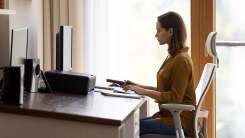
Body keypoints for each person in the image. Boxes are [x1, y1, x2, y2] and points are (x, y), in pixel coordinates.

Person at [123, 11, 196, 137]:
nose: (156, 35)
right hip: (170, 118)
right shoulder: (173, 57)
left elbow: (174, 97)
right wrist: (137, 86)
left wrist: (143, 91)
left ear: (171, 32)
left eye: (159, 30)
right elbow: (163, 90)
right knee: (130, 123)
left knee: (131, 127)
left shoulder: (181, 60)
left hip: (180, 122)